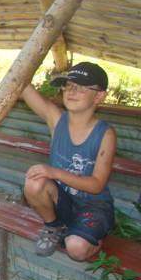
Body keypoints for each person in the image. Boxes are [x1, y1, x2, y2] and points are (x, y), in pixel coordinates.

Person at [21, 62, 116, 261]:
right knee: (34, 180)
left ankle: (93, 236)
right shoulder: (57, 120)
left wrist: (55, 172)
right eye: (68, 85)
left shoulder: (105, 134)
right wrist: (23, 60)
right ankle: (54, 225)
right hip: (63, 200)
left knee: (76, 249)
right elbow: (21, 84)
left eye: (81, 87)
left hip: (93, 206)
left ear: (99, 96)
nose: (72, 91)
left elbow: (97, 185)